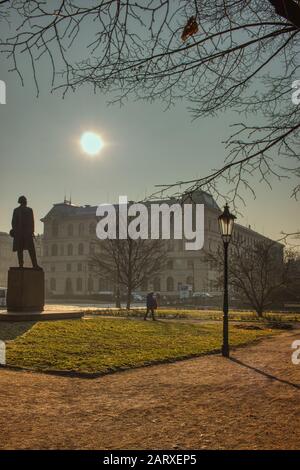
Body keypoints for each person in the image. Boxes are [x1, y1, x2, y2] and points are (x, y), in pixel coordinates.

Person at [11, 196, 40, 269]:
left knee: (20, 249)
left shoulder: (16, 210)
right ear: (24, 201)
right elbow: (32, 222)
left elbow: (13, 222)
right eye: (25, 200)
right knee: (30, 249)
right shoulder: (28, 210)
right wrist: (32, 231)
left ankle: (22, 265)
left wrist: (15, 230)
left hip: (21, 233)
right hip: (26, 233)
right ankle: (34, 265)